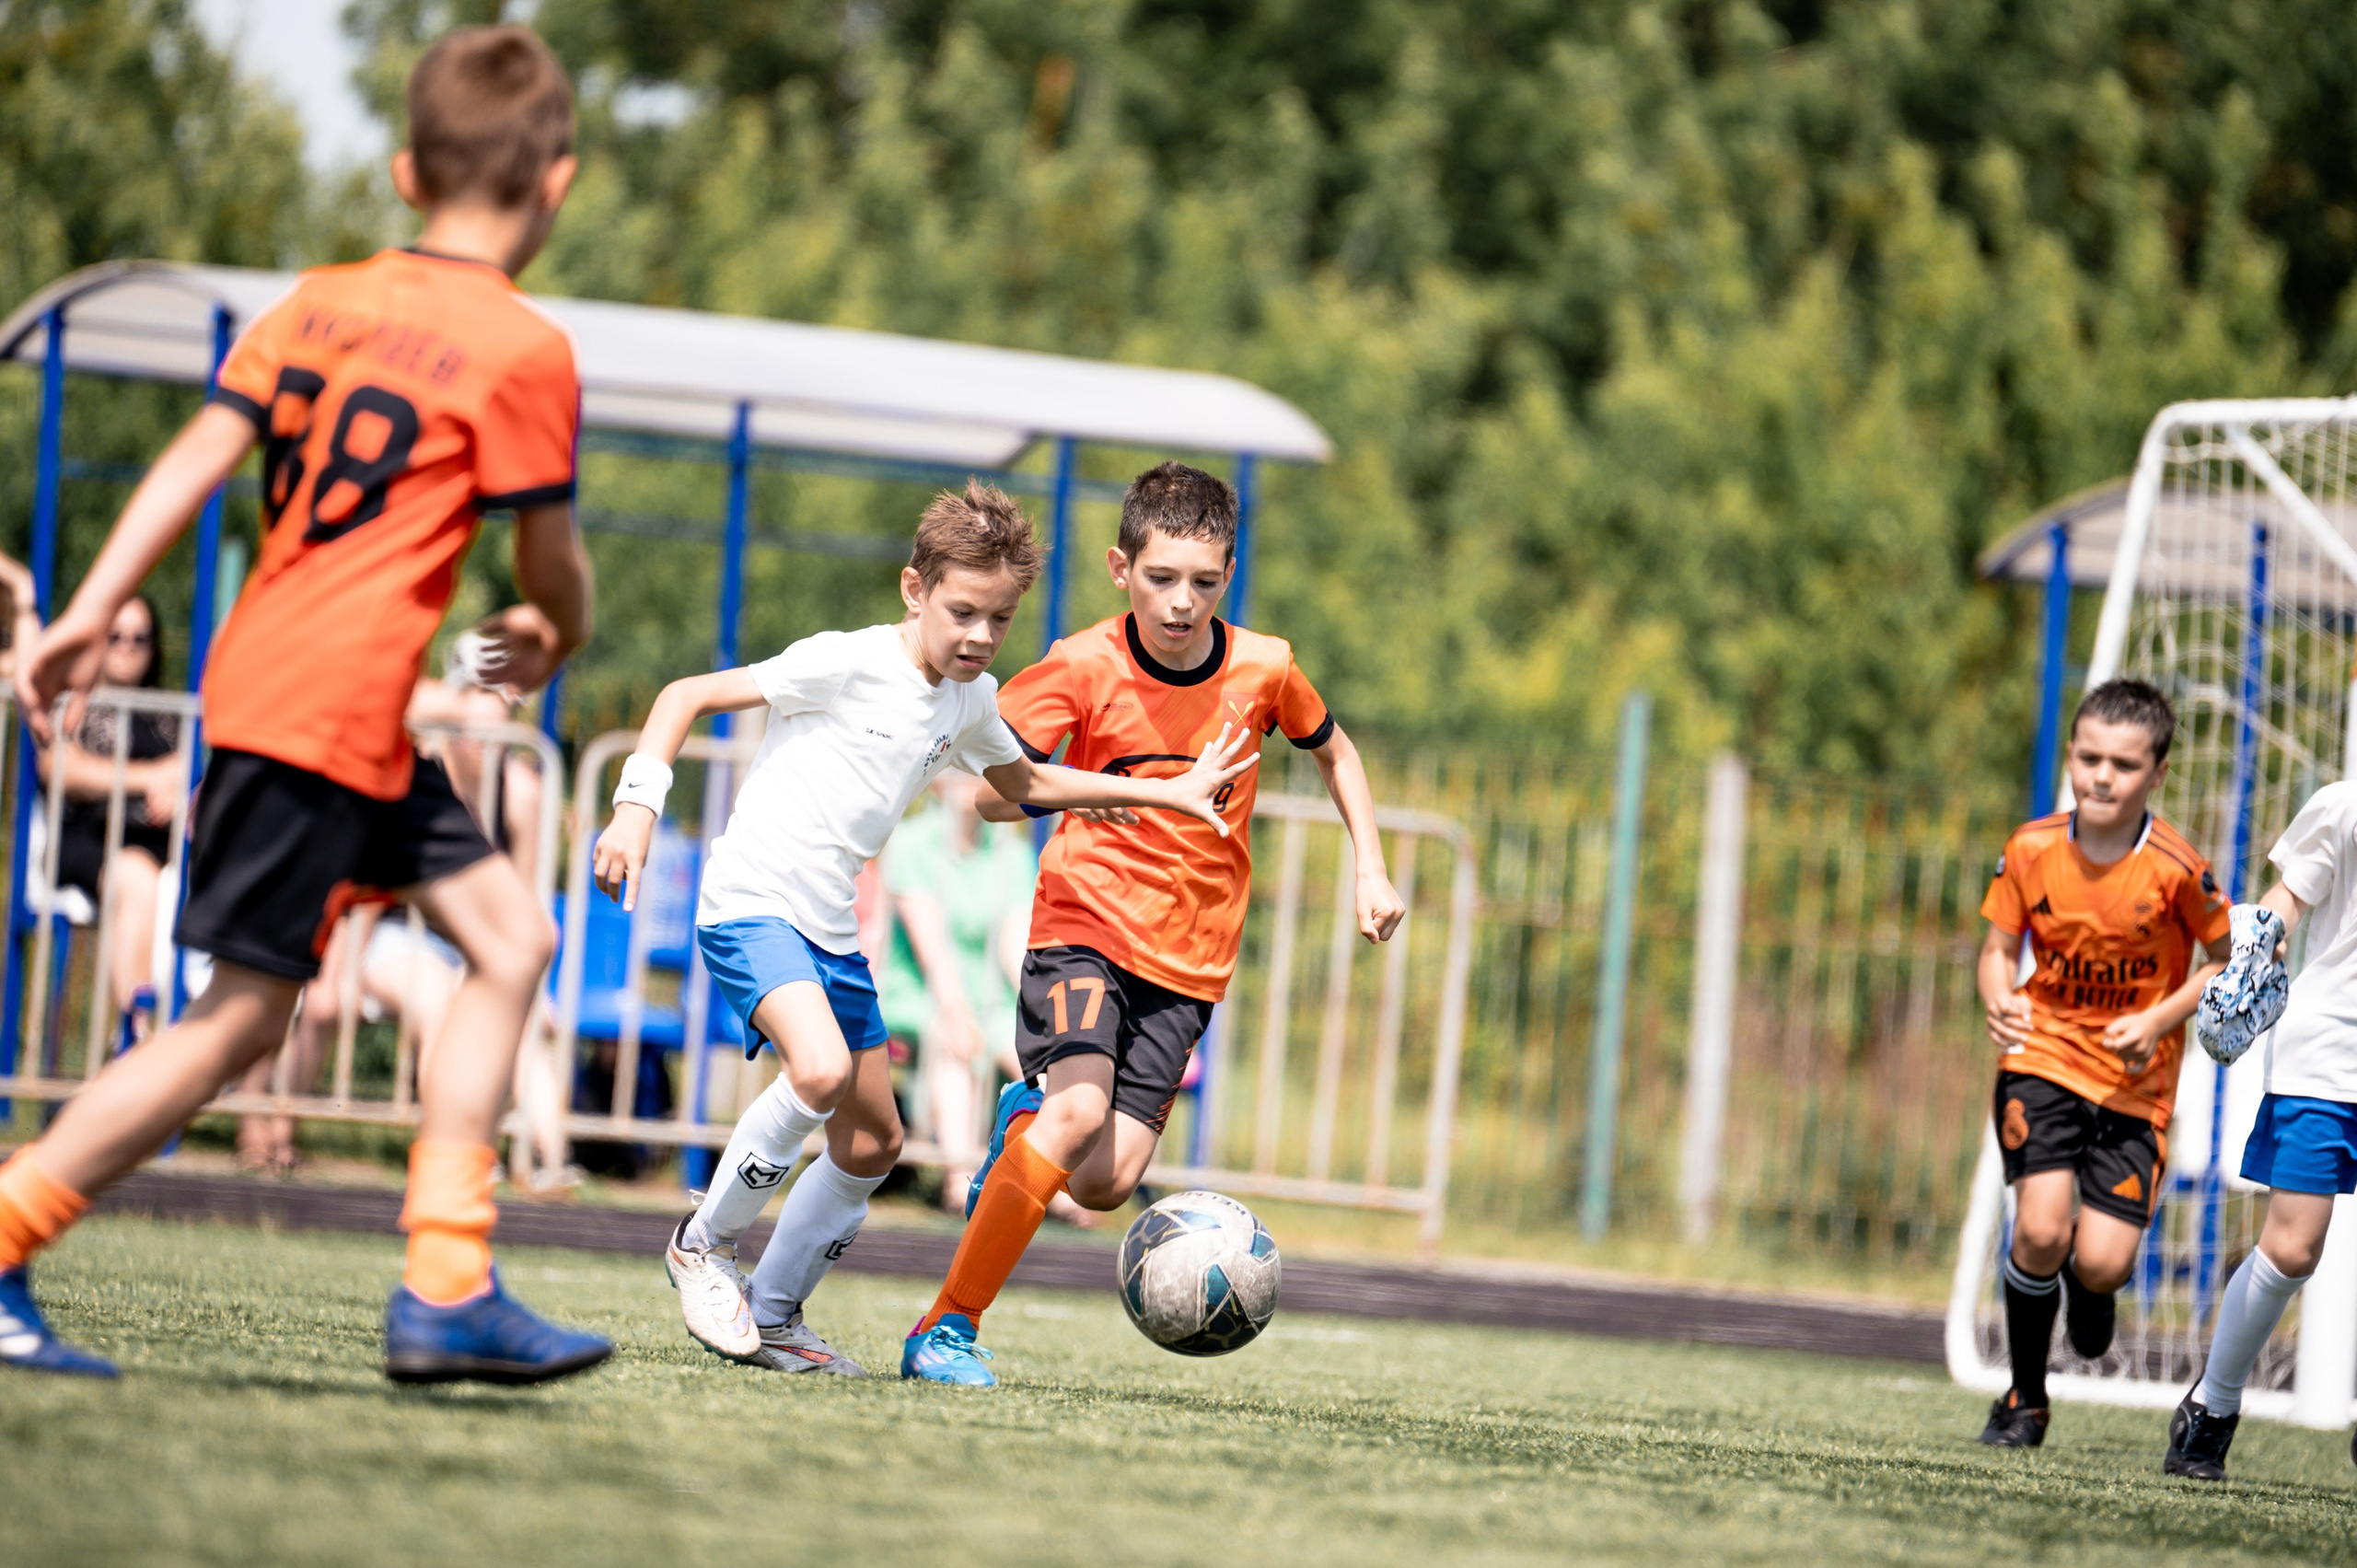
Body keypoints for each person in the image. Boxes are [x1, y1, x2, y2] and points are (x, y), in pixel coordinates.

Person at [0, 24, 608, 1384]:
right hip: (324, 714)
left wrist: (93, 604)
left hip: (309, 701)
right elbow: (549, 563)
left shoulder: (314, 302)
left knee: (509, 935)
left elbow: (193, 458)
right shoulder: (522, 348)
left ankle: (449, 1281)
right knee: (238, 1019)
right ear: (555, 182)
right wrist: (556, 631)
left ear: (404, 170)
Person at [591, 480, 1259, 1377]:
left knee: (874, 1141)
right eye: (961, 612)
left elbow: (1028, 784)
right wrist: (636, 805)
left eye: (999, 618)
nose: (980, 636)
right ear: (914, 590)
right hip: (752, 900)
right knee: (820, 1071)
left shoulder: (970, 699)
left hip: (827, 927)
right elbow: (684, 694)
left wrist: (1157, 788)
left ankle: (777, 1312)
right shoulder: (849, 660)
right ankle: (702, 1246)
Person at [900, 460, 1408, 1387]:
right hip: (1082, 926)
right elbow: (988, 795)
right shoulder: (1081, 663)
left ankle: (1024, 1123)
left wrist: (1370, 866)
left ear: (1229, 573)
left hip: (1190, 961)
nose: (1181, 601)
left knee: (1103, 1179)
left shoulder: (1266, 666)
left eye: (1205, 582)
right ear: (1120, 566)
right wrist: (1112, 796)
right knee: (1081, 1108)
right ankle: (945, 1327)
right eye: (1162, 578)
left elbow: (1334, 750)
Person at [1972, 679, 2232, 1446]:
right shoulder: (2030, 848)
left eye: (2123, 762)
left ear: (2156, 772)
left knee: (2101, 1261)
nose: (2102, 776)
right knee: (2041, 1231)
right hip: (2042, 1057)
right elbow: (1995, 951)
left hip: (2133, 1087)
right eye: (2089, 757)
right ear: (2072, 757)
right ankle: (2023, 1398)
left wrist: (2156, 1019)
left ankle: (2093, 1289)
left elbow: (2221, 962)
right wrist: (1998, 997)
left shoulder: (2181, 869)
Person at [236, 652, 575, 1192]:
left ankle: (541, 1161)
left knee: (515, 1013)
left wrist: (533, 979)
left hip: (451, 938)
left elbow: (525, 910)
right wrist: (341, 966)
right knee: (283, 1003)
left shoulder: (518, 791)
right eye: (472, 733)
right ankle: (261, 1130)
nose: (485, 749)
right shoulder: (413, 772)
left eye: (498, 735)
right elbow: (369, 886)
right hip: (365, 921)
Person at [2163, 781, 2357, 1480]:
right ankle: (2211, 1407)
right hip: (2331, 1055)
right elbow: (2290, 896)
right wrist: (2258, 941)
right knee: (2294, 1245)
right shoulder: (2344, 804)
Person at [878, 770, 1075, 1215]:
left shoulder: (1013, 852)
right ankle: (960, 1179)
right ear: (935, 780)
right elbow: (932, 951)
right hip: (921, 996)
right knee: (954, 1041)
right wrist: (956, 1011)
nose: (970, 776)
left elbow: (1014, 948)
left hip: (995, 1001)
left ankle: (1051, 1182)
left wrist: (1043, 1019)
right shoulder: (911, 843)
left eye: (979, 765)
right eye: (959, 765)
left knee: (1046, 1058)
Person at [36, 594, 181, 1040]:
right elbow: (62, 768)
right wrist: (151, 777)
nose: (127, 647)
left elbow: (195, 767)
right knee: (135, 877)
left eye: (140, 638)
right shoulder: (71, 704)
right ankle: (138, 1031)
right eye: (115, 636)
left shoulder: (170, 712)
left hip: (166, 845)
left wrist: (182, 789)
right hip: (89, 842)